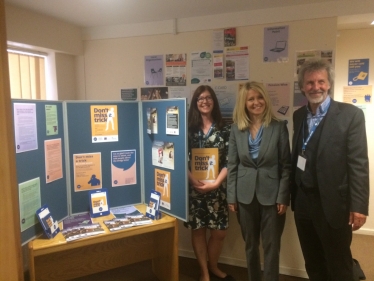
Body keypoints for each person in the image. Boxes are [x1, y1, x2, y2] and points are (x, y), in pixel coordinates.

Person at [291, 59, 369, 281]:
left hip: (335, 203)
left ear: (329, 83)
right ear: (302, 86)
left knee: (339, 262)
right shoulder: (299, 116)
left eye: (321, 81)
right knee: (313, 260)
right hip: (303, 202)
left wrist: (359, 206)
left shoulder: (350, 115)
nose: (316, 87)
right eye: (310, 82)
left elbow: (358, 163)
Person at [227, 81, 291, 281]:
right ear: (244, 103)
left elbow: (286, 166)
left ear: (265, 99)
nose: (256, 102)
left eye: (260, 97)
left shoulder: (279, 126)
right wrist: (231, 196)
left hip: (272, 196)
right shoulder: (237, 129)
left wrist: (283, 197)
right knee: (250, 245)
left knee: (272, 245)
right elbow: (232, 165)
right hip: (244, 195)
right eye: (251, 99)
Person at [184, 85, 234, 281]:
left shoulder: (225, 128)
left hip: (218, 189)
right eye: (200, 98)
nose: (204, 101)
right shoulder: (188, 130)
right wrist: (191, 178)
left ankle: (213, 266)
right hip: (194, 188)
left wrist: (215, 184)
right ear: (195, 103)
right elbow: (179, 157)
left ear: (214, 101)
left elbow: (230, 161)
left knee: (219, 232)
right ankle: (204, 272)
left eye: (208, 97)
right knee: (198, 231)